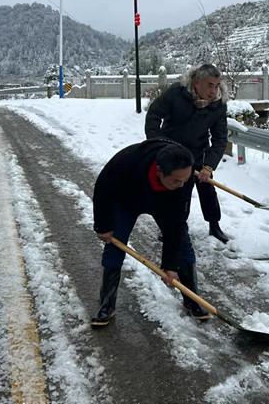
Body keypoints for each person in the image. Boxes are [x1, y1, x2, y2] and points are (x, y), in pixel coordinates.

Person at [91, 138, 212, 327]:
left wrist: (170, 265)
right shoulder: (128, 161)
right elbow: (102, 190)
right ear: (159, 171)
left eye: (185, 180)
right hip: (127, 201)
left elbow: (176, 225)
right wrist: (102, 226)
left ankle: (192, 299)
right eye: (176, 180)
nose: (182, 185)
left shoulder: (183, 177)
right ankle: (106, 304)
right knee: (115, 245)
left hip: (165, 203)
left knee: (184, 247)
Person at [145, 64, 230, 243]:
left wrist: (208, 166)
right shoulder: (177, 93)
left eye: (216, 85)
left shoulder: (218, 105)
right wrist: (157, 144)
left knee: (207, 189)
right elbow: (153, 115)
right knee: (177, 192)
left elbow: (220, 138)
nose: (213, 90)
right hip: (171, 151)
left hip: (198, 153)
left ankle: (214, 224)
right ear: (196, 82)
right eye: (209, 85)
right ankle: (172, 225)